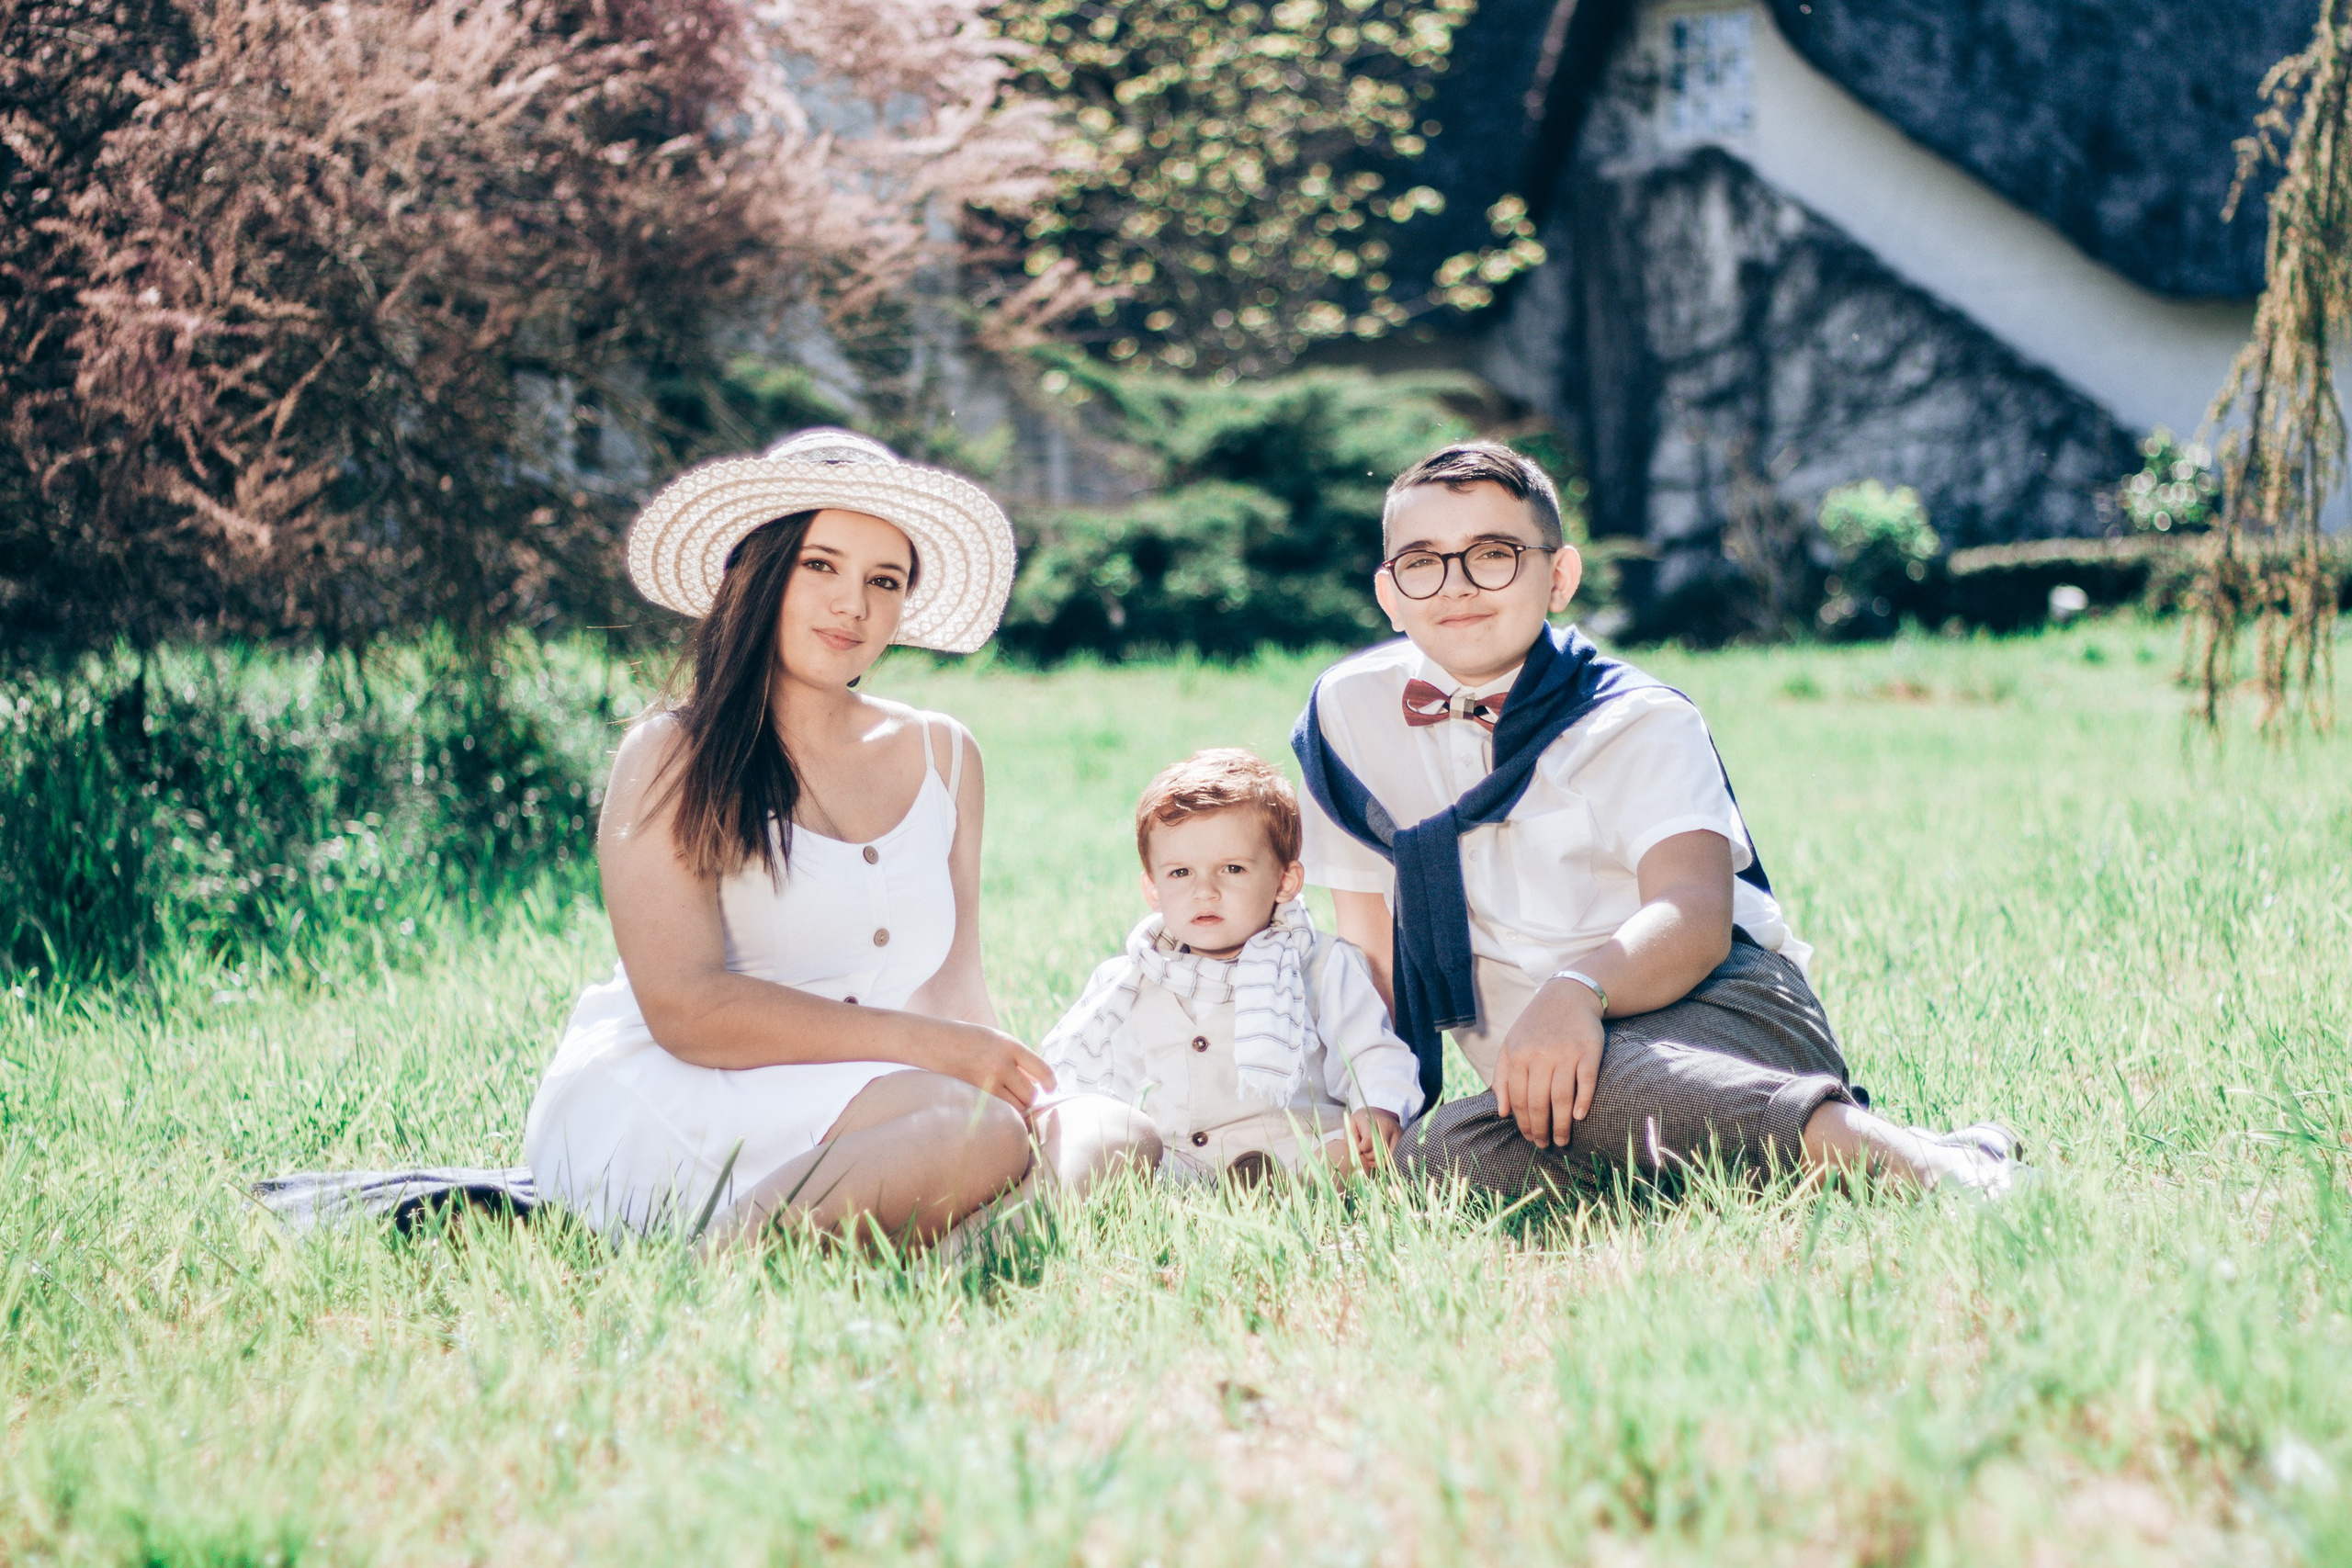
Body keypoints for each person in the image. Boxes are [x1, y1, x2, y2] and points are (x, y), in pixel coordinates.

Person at [1291, 442, 2030, 1200]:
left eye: (1494, 554)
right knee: (1431, 1166)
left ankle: (1938, 1171)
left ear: (1560, 576)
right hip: (1539, 1076)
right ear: (1388, 590)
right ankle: (1777, 1153)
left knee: (1613, 1086)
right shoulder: (1347, 712)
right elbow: (1369, 941)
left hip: (1718, 1005)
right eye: (1423, 561)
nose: (1458, 585)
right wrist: (1378, 1103)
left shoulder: (1635, 716)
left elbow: (1695, 913)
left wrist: (1578, 990)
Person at [525, 429, 1158, 1248]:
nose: (852, 604)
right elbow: (686, 1010)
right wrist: (932, 1052)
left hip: (867, 1092)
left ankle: (946, 1246)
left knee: (1113, 1133)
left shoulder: (944, 753)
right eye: (819, 565)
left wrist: (1003, 1075)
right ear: (757, 573)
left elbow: (952, 988)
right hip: (683, 1085)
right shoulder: (672, 753)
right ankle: (731, 1261)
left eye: (882, 580)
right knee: (975, 1130)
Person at [1038, 750, 1423, 1182]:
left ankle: (1303, 1189)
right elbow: (1102, 1084)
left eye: (1233, 869)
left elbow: (1370, 1051)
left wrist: (1377, 1107)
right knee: (1119, 1153)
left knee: (1351, 1154)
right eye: (1181, 873)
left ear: (1285, 882)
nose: (1205, 891)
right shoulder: (1133, 979)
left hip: (1299, 1150)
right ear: (1152, 887)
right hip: (1185, 1163)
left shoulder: (1319, 965)